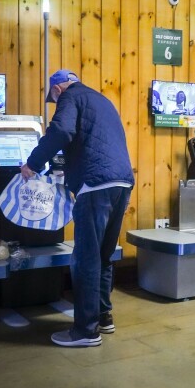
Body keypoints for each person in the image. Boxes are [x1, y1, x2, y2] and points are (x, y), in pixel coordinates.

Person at [21, 69, 134, 347]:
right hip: (122, 182)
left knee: (85, 258)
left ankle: (85, 331)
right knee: (105, 254)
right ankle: (103, 317)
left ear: (58, 89)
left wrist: (32, 164)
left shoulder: (69, 97)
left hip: (95, 185)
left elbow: (61, 130)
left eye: (53, 96)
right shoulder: (101, 99)